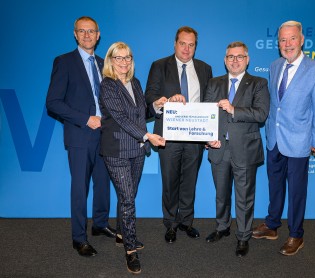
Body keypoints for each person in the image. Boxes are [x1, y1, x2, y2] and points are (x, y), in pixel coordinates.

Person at [252, 20, 315, 256]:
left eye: (292, 39)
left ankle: (296, 234)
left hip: (299, 141)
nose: (287, 44)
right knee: (274, 186)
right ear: (278, 43)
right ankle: (272, 225)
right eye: (283, 40)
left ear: (301, 40)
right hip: (274, 138)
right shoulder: (275, 66)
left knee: (296, 191)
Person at [46, 16, 115, 257]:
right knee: (79, 188)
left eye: (91, 31)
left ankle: (100, 224)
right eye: (82, 31)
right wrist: (86, 118)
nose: (87, 35)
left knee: (103, 183)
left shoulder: (104, 63)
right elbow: (53, 103)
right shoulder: (64, 62)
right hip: (80, 135)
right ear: (75, 34)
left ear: (98, 35)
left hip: (105, 135)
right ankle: (79, 238)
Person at [99, 42, 165, 274]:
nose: (124, 62)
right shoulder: (107, 85)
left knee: (129, 196)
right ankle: (130, 250)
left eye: (127, 57)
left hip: (137, 150)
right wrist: (148, 135)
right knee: (127, 200)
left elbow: (141, 113)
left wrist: (156, 105)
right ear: (110, 60)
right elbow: (120, 118)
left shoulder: (134, 83)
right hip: (116, 150)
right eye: (118, 58)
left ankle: (120, 234)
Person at [145, 26, 213, 243]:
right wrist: (165, 100)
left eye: (191, 44)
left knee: (190, 181)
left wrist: (210, 132)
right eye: (182, 43)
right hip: (168, 135)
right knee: (170, 180)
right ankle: (171, 223)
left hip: (195, 135)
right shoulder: (159, 66)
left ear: (195, 46)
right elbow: (150, 97)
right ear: (175, 44)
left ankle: (186, 222)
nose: (186, 48)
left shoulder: (205, 68)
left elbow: (209, 103)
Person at [204, 42, 270, 257]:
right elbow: (206, 116)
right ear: (225, 60)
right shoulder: (214, 83)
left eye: (240, 56)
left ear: (247, 59)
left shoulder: (258, 83)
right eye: (231, 56)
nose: (235, 60)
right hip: (218, 148)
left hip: (245, 149)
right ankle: (222, 228)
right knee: (221, 194)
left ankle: (243, 236)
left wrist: (233, 109)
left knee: (244, 197)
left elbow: (261, 114)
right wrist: (208, 137)